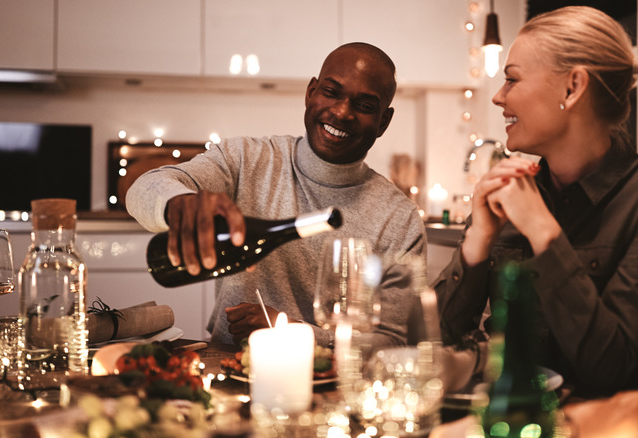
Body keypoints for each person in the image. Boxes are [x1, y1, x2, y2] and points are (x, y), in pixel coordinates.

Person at [434, 6, 638, 398]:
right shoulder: (510, 192)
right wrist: (477, 243)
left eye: (512, 79)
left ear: (572, 87)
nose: (497, 96)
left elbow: (611, 369)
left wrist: (543, 231)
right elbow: (432, 347)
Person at [127, 42, 427, 348]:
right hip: (228, 370)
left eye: (364, 106)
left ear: (383, 122)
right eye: (331, 92)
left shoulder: (400, 219)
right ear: (311, 92)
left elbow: (391, 341)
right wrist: (179, 203)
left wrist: (294, 330)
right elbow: (145, 188)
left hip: (339, 384)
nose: (341, 111)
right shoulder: (246, 159)